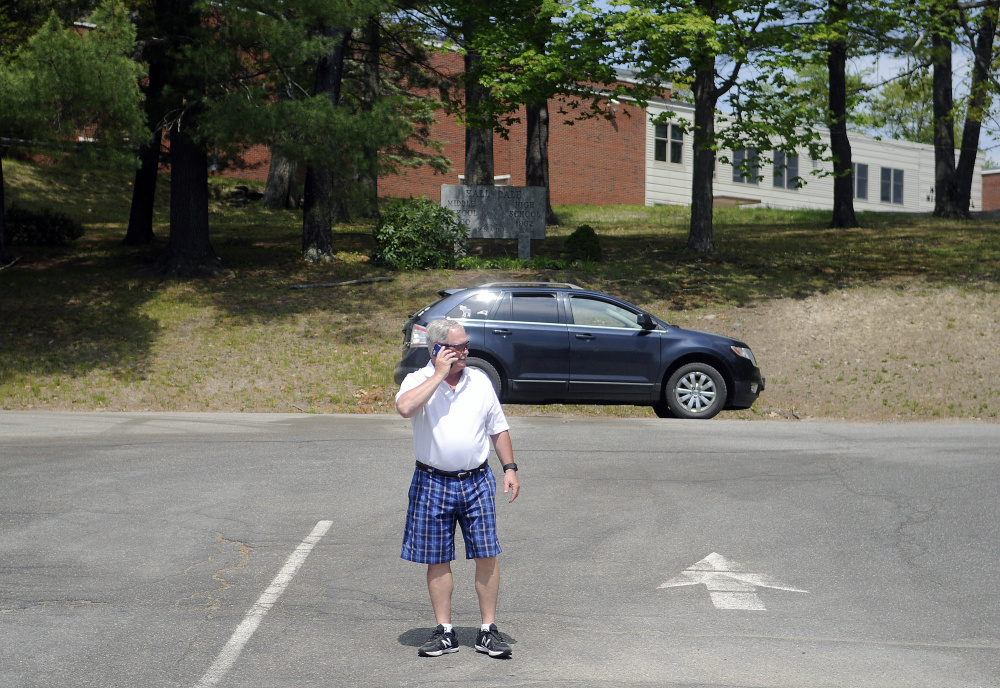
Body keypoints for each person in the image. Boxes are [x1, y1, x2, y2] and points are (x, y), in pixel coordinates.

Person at [395, 318, 521, 659]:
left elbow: (498, 428)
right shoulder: (418, 380)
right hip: (432, 481)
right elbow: (405, 408)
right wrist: (438, 374)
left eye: (466, 345)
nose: (466, 351)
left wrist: (509, 468)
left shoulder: (479, 381)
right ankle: (445, 631)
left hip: (477, 480)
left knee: (486, 554)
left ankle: (487, 630)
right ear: (437, 349)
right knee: (437, 558)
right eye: (458, 347)